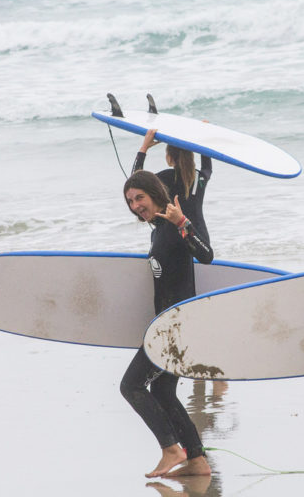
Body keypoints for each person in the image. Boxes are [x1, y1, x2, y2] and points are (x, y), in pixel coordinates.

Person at [121, 170, 214, 478]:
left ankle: (171, 449)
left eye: (139, 198)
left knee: (131, 385)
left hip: (176, 326)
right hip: (166, 324)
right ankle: (198, 463)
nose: (135, 205)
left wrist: (182, 223)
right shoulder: (157, 229)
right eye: (130, 201)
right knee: (162, 392)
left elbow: (207, 255)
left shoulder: (173, 225)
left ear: (154, 194)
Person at [132, 129, 212, 243]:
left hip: (175, 238)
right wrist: (204, 138)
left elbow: (135, 183)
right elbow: (208, 168)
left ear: (169, 158)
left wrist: (144, 148)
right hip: (201, 239)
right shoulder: (201, 177)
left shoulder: (166, 177)